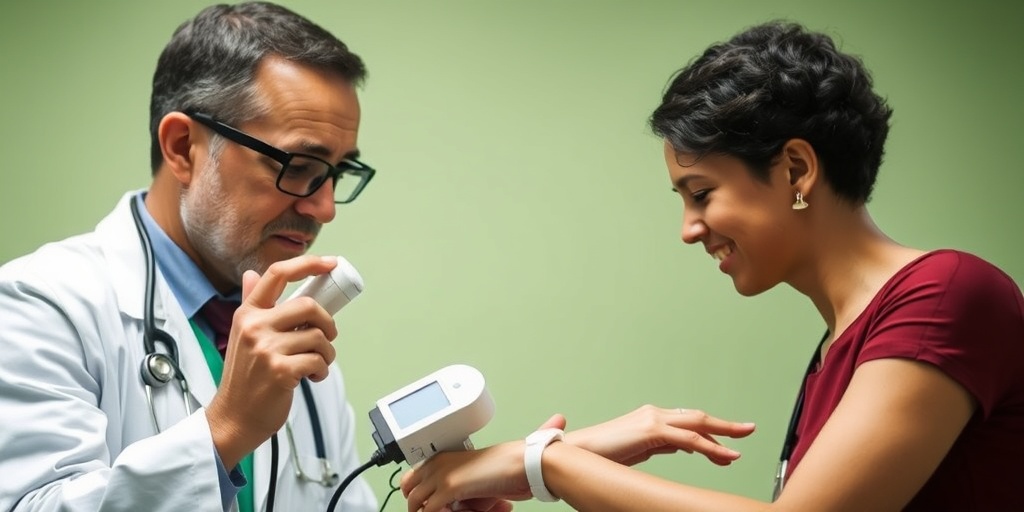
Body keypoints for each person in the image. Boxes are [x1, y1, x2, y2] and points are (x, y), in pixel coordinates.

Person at [399, 20, 1024, 511]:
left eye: (701, 194)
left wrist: (547, 462)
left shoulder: (948, 296)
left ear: (798, 171)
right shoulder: (842, 346)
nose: (689, 230)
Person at [0, 2, 380, 511]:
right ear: (183, 147)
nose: (325, 207)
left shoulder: (294, 339)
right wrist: (226, 428)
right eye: (301, 165)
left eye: (337, 172)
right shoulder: (38, 306)